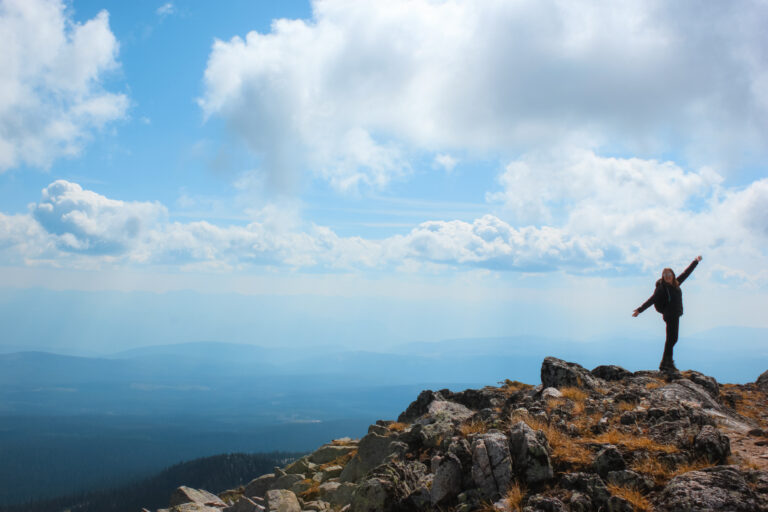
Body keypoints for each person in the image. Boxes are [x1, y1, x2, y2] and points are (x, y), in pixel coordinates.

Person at [632, 255, 702, 372]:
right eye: (665, 275)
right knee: (672, 339)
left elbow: (686, 273)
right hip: (670, 315)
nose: (667, 277)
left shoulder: (676, 283)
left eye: (669, 275)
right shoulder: (662, 288)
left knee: (672, 339)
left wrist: (695, 261)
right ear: (663, 277)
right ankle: (666, 364)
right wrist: (640, 310)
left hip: (675, 314)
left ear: (673, 275)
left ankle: (666, 363)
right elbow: (652, 299)